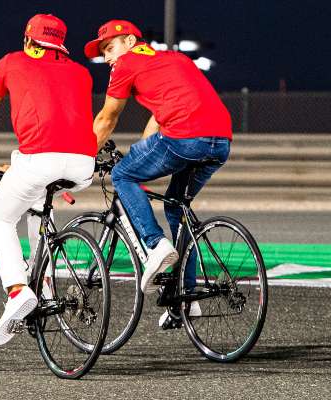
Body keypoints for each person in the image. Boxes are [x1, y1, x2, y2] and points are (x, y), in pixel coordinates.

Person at [0, 14, 97, 345]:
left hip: (40, 159)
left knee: (0, 217)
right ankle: (44, 282)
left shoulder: (13, 62)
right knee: (39, 201)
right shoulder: (81, 72)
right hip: (84, 163)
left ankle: (16, 291)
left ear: (28, 39)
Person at [84, 20, 232, 324]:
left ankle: (155, 244)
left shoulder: (125, 64)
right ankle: (185, 298)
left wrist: (80, 157)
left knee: (123, 176)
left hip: (186, 136)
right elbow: (158, 117)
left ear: (127, 41)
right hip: (220, 140)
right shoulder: (174, 58)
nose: (108, 57)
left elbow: (107, 118)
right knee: (175, 205)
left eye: (109, 48)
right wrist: (142, 152)